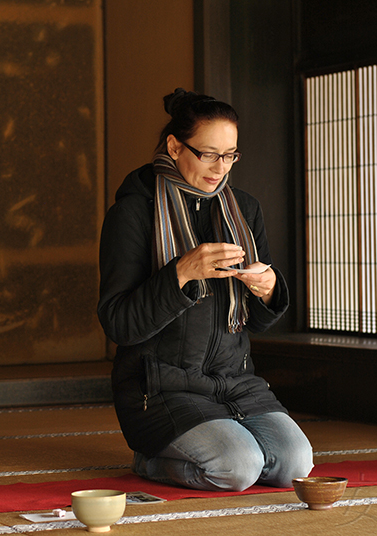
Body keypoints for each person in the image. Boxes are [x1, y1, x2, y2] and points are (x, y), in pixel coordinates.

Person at [97, 88, 313, 492]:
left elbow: (258, 320)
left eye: (230, 154)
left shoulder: (243, 209)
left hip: (235, 380)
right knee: (238, 468)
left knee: (294, 466)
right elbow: (118, 323)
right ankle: (151, 460)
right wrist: (180, 273)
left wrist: (267, 289)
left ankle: (222, 439)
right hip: (160, 386)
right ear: (175, 146)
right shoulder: (133, 212)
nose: (221, 167)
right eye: (208, 153)